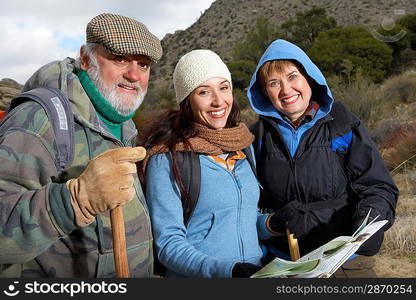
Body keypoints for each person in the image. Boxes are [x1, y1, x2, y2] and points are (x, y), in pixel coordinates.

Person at [0, 13, 162, 277]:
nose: (134, 75)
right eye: (119, 59)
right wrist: (76, 201)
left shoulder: (124, 124)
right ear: (86, 59)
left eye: (143, 65)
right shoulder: (41, 118)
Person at [247, 39, 399, 277]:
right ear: (264, 92)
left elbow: (377, 186)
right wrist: (271, 223)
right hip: (285, 264)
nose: (286, 90)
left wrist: (369, 223)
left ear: (309, 77)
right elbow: (247, 206)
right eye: (274, 83)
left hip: (344, 261)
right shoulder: (257, 138)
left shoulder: (341, 123)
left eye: (293, 76)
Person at [140, 50, 273, 278]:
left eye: (224, 87)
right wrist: (228, 271)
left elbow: (238, 218)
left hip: (255, 273)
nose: (218, 101)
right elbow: (169, 244)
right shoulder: (168, 157)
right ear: (187, 101)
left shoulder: (242, 145)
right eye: (204, 92)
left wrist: (271, 224)